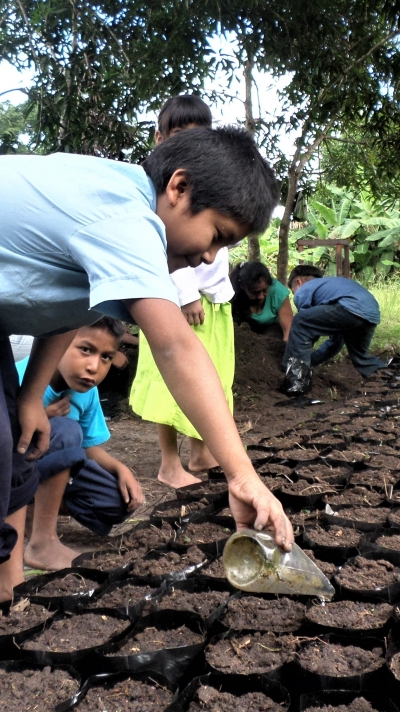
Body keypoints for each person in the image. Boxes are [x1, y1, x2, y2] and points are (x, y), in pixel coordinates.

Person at [0, 125, 293, 649]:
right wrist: (242, 475)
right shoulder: (125, 218)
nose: (209, 258)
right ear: (179, 187)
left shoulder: (122, 207)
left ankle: (3, 595)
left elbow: (65, 299)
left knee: (9, 437)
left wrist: (31, 394)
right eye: (217, 235)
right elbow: (174, 345)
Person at [131, 95, 235, 489]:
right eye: (178, 136)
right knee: (171, 378)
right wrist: (186, 292)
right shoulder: (158, 186)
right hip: (177, 302)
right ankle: (169, 462)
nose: (188, 146)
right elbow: (162, 246)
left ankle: (200, 451)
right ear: (159, 137)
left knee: (211, 377)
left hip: (215, 299)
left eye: (197, 137)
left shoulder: (211, 181)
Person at [17, 317, 143, 570]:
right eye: (85, 350)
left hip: (54, 468)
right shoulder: (19, 377)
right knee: (65, 430)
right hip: (10, 471)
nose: (94, 366)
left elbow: (85, 446)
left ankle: (34, 511)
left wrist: (120, 468)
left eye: (106, 357)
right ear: (57, 343)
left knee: (117, 501)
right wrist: (41, 419)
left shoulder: (87, 393)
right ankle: (42, 543)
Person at [281, 265, 387, 394]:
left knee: (299, 321)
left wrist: (288, 361)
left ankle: (297, 383)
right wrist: (312, 360)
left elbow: (304, 329)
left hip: (349, 307)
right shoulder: (332, 287)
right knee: (360, 356)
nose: (295, 296)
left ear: (298, 281)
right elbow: (334, 345)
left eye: (293, 291)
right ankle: (389, 379)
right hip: (370, 315)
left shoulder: (305, 288)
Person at [230, 261, 293, 340]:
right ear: (242, 287)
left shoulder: (278, 292)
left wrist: (287, 349)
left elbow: (288, 329)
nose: (261, 296)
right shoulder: (232, 294)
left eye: (265, 290)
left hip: (272, 331)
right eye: (255, 293)